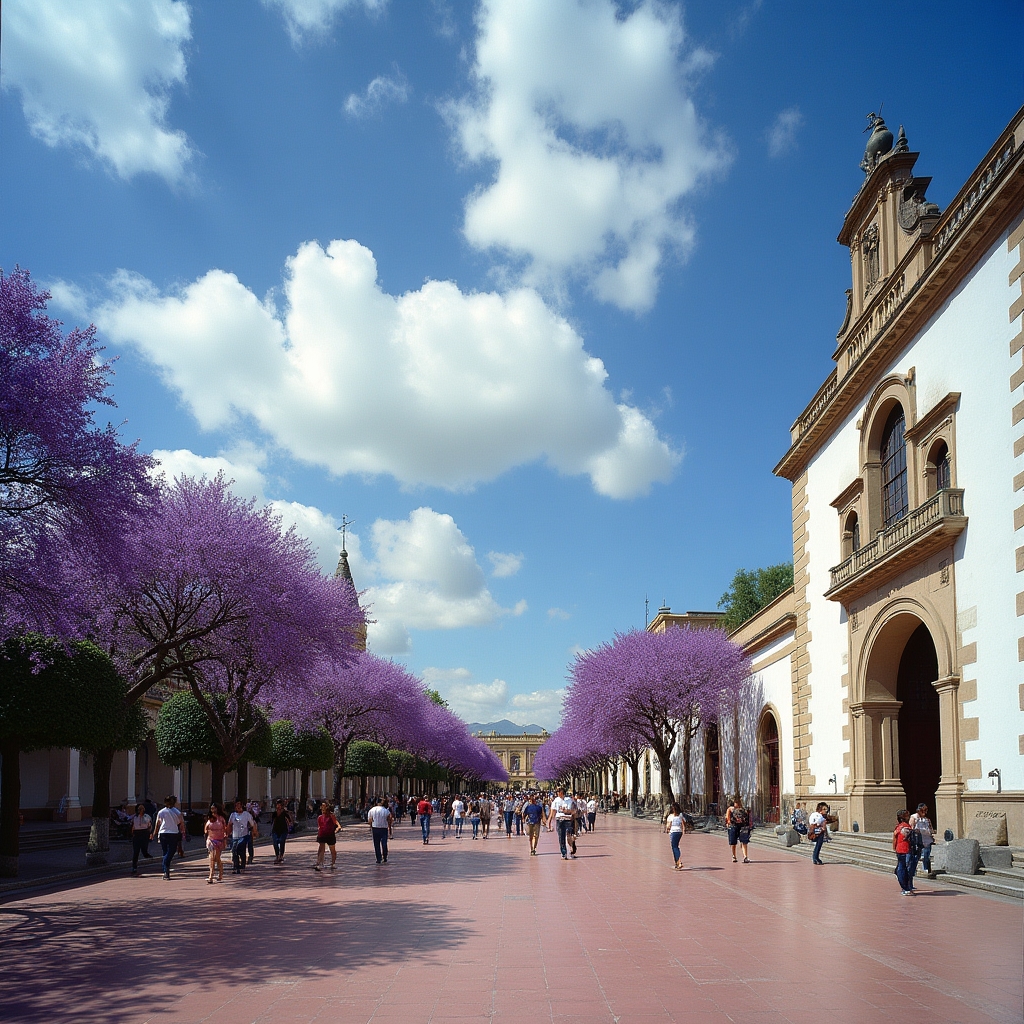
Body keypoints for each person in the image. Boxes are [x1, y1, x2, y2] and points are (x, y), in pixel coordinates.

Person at [151, 795, 185, 880]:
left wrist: (154, 833)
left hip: (164, 833)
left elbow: (157, 824)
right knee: (171, 851)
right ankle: (166, 869)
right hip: (172, 833)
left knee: (166, 852)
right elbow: (181, 822)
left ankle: (166, 869)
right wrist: (183, 830)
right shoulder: (177, 812)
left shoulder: (161, 812)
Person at [228, 799, 257, 874]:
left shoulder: (246, 814)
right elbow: (229, 825)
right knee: (234, 851)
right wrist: (227, 833)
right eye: (236, 805)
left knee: (240, 849)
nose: (238, 807)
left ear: (242, 806)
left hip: (243, 835)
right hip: (235, 836)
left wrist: (254, 832)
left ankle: (242, 865)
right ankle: (236, 865)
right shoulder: (233, 815)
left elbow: (252, 824)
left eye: (239, 805)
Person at [548, 788, 576, 860]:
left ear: (562, 793)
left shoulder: (569, 800)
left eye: (559, 792)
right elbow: (553, 811)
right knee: (561, 837)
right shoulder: (556, 801)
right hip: (560, 820)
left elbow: (574, 810)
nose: (558, 794)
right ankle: (564, 853)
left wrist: (568, 811)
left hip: (568, 820)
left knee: (569, 835)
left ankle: (572, 846)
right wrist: (549, 821)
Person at [909, 803, 934, 879]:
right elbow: (911, 828)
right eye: (923, 810)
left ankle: (926, 869)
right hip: (918, 839)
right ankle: (913, 870)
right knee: (917, 856)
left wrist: (930, 833)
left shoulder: (927, 819)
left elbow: (931, 829)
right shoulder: (914, 817)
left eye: (926, 810)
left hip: (927, 839)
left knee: (926, 855)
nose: (925, 812)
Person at [893, 809, 915, 895]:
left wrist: (894, 848)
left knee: (902, 868)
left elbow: (894, 839)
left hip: (900, 849)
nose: (909, 817)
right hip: (905, 850)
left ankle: (906, 888)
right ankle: (906, 888)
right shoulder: (905, 827)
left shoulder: (899, 827)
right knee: (903, 869)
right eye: (907, 815)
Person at [204, 803, 228, 883]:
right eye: (212, 808)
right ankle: (211, 876)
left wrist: (225, 838)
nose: (213, 810)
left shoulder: (221, 819)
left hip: (219, 840)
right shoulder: (209, 818)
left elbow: (225, 829)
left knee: (217, 858)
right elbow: (206, 829)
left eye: (214, 808)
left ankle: (220, 873)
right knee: (212, 858)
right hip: (211, 840)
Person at [315, 800, 340, 871]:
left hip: (330, 835)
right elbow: (319, 826)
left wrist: (338, 828)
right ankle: (319, 863)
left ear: (327, 807)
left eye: (324, 806)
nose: (322, 808)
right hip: (322, 835)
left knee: (332, 850)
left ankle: (333, 863)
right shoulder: (319, 817)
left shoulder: (331, 816)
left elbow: (336, 823)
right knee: (321, 849)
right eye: (322, 806)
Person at [725, 797, 751, 863]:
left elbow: (747, 818)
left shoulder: (744, 810)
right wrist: (728, 823)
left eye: (739, 802)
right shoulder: (730, 809)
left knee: (744, 841)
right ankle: (734, 856)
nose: (738, 804)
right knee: (733, 842)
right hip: (733, 826)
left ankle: (745, 857)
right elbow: (727, 818)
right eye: (737, 802)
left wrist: (748, 825)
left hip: (743, 826)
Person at [368, 797, 393, 864]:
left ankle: (378, 858)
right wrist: (390, 829)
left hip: (375, 828)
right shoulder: (386, 811)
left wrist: (370, 827)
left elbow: (370, 820)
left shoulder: (372, 810)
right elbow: (389, 820)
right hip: (383, 829)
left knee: (376, 844)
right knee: (384, 843)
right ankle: (384, 855)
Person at [129, 802, 152, 874]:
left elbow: (150, 825)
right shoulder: (134, 817)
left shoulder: (147, 817)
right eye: (140, 808)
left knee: (144, 847)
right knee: (136, 851)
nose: (141, 810)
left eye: (142, 808)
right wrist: (132, 833)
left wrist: (150, 833)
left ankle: (146, 854)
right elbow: (132, 825)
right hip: (137, 834)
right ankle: (134, 867)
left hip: (144, 833)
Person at [270, 798, 292, 865]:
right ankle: (277, 856)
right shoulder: (274, 813)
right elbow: (272, 821)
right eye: (277, 805)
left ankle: (281, 856)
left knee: (282, 842)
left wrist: (290, 827)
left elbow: (289, 821)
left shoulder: (285, 813)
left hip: (283, 830)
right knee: (275, 842)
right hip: (275, 830)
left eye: (280, 805)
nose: (278, 806)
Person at [665, 802, 685, 870]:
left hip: (673, 832)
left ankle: (679, 862)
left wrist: (667, 830)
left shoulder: (670, 816)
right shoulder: (680, 815)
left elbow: (668, 825)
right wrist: (683, 830)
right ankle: (677, 863)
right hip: (679, 832)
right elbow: (683, 822)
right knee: (676, 846)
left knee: (674, 847)